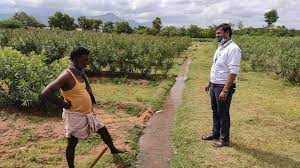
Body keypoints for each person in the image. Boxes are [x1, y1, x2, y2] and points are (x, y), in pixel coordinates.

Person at [41, 47, 126, 168]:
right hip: (75, 115)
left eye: (87, 60)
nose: (87, 63)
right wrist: (64, 104)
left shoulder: (79, 72)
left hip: (86, 113)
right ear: (75, 59)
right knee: (72, 143)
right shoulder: (66, 75)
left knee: (102, 129)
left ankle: (113, 149)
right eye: (84, 60)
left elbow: (85, 87)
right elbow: (46, 92)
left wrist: (90, 99)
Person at [201, 23, 242, 147]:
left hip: (222, 87)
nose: (216, 35)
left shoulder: (234, 49)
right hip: (214, 86)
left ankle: (224, 140)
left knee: (223, 113)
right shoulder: (220, 47)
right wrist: (210, 83)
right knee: (215, 111)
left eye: (219, 33)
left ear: (227, 33)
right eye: (216, 33)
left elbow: (233, 72)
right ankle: (215, 134)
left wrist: (225, 90)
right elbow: (216, 67)